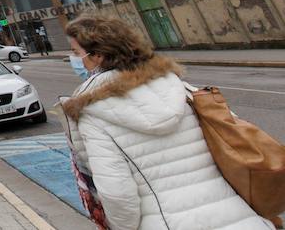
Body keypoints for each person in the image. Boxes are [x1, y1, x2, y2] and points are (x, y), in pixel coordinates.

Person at [61, 16, 273, 230]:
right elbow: (239, 142)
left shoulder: (94, 113)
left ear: (97, 55)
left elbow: (118, 194)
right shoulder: (182, 90)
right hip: (241, 218)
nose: (73, 59)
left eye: (76, 52)